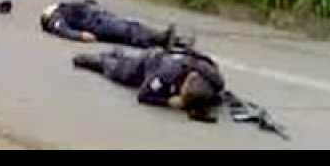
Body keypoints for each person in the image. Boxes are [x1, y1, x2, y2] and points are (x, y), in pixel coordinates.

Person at [72, 46, 225, 122]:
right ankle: (97, 59)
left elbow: (217, 97)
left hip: (173, 57)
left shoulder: (215, 80)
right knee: (119, 72)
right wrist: (167, 102)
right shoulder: (167, 74)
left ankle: (118, 53)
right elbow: (143, 94)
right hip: (150, 62)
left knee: (126, 60)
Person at [40, 0, 193, 49]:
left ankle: (174, 40)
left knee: (134, 27)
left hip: (101, 17)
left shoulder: (62, 6)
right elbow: (63, 31)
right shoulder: (54, 18)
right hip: (96, 24)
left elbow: (86, 3)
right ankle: (161, 39)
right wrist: (80, 36)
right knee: (128, 31)